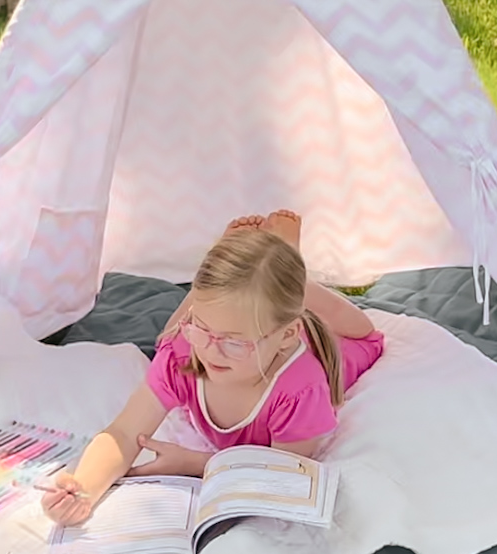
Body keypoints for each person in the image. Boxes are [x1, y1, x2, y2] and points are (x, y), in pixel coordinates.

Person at [41, 211, 384, 526]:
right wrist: (83, 487)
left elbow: (285, 472)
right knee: (168, 340)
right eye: (200, 328)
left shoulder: (301, 389)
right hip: (259, 328)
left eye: (233, 342)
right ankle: (252, 269)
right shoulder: (185, 351)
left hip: (331, 339)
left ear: (285, 336)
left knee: (361, 332)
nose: (210, 351)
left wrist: (195, 464)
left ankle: (290, 269)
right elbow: (122, 434)